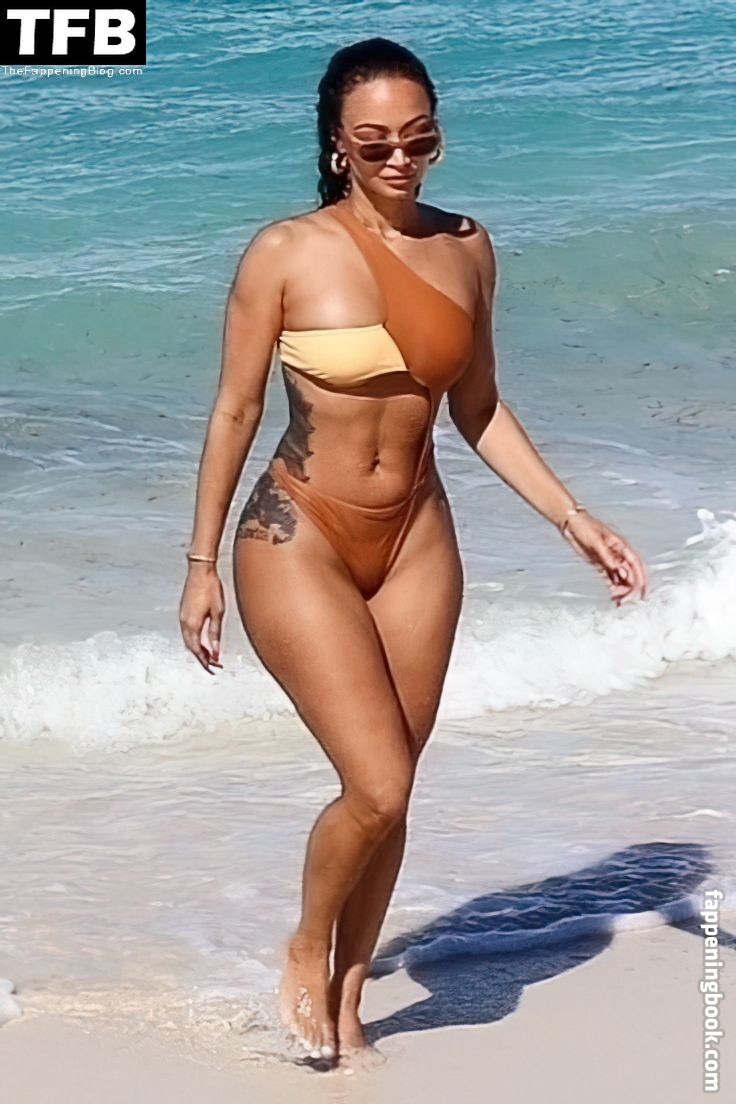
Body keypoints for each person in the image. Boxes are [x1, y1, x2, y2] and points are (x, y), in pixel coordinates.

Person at [179, 37, 648, 1067]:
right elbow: (235, 410)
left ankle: (349, 1008)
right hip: (298, 532)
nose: (400, 160)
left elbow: (477, 408)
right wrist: (201, 563)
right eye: (375, 143)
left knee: (397, 791)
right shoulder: (285, 253)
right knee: (377, 782)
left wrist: (572, 518)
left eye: (418, 139)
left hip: (417, 539)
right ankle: (306, 946)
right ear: (336, 146)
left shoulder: (468, 246)